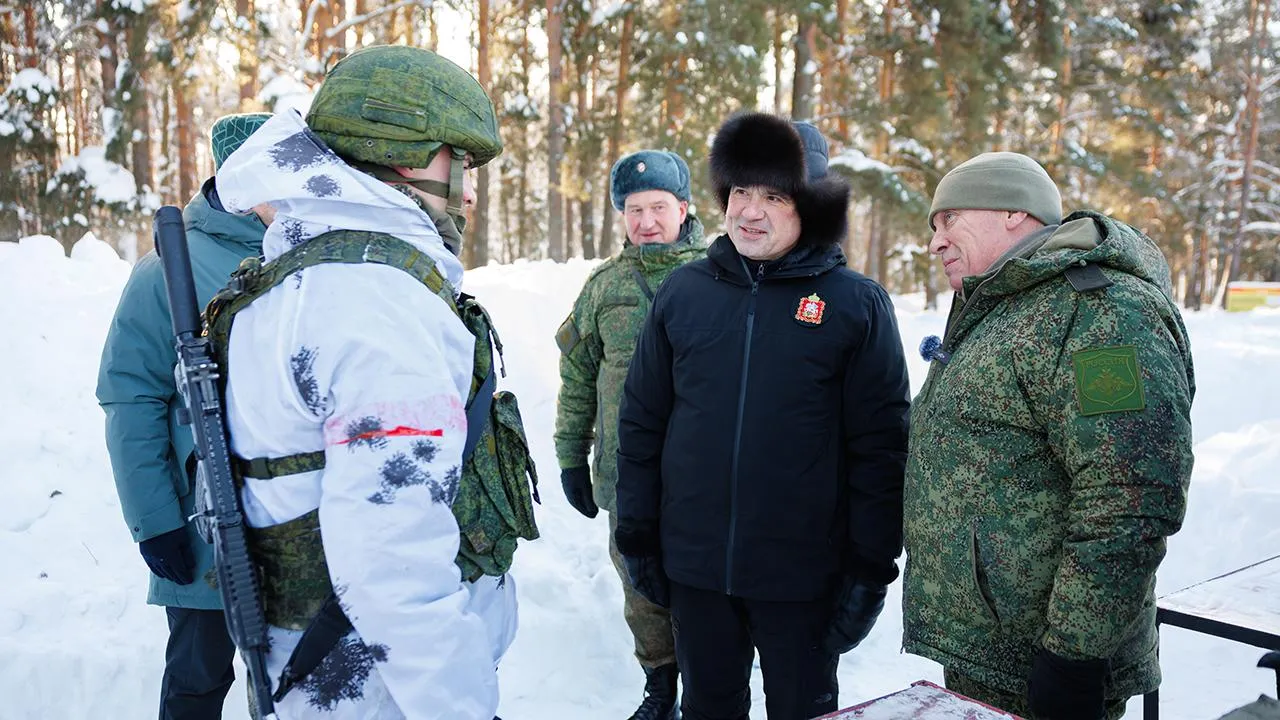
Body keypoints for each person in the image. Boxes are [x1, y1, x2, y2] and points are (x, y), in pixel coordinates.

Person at [210, 45, 535, 719]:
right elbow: (394, 563)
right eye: (460, 161)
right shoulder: (373, 302)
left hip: (325, 667)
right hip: (379, 686)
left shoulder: (305, 273)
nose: (469, 188)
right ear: (409, 158)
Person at [614, 113, 912, 720]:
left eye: (773, 194)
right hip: (697, 573)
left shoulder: (855, 305)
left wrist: (869, 569)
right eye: (741, 191)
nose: (751, 210)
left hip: (802, 579)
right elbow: (642, 423)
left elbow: (881, 450)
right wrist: (639, 534)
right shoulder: (685, 293)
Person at [903, 152, 1195, 719]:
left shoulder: (1099, 314)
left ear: (1015, 213)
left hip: (1052, 665)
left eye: (950, 220)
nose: (935, 242)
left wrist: (1073, 658)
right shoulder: (1001, 309)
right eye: (932, 226)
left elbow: (1129, 497)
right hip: (989, 655)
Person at [97, 111, 272, 720]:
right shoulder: (164, 270)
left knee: (300, 683)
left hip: (296, 521)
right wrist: (156, 523)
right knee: (197, 681)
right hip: (204, 529)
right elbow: (130, 399)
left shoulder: (309, 256)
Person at [554, 149, 705, 719]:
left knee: (700, 586)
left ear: (684, 208)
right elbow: (577, 379)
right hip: (624, 475)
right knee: (641, 587)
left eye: (658, 207)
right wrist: (571, 456)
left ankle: (707, 684)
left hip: (702, 475)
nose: (646, 221)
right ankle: (660, 684)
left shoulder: (718, 275)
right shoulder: (605, 287)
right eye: (634, 209)